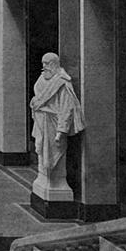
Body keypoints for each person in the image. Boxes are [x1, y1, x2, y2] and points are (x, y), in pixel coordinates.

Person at [29, 53, 85, 186]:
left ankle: (56, 183)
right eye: (43, 63)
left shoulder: (62, 82)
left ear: (54, 64)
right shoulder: (42, 78)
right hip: (41, 123)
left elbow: (66, 108)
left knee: (54, 154)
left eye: (47, 63)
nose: (44, 66)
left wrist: (61, 131)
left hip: (54, 125)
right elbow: (37, 98)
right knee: (41, 152)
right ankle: (44, 179)